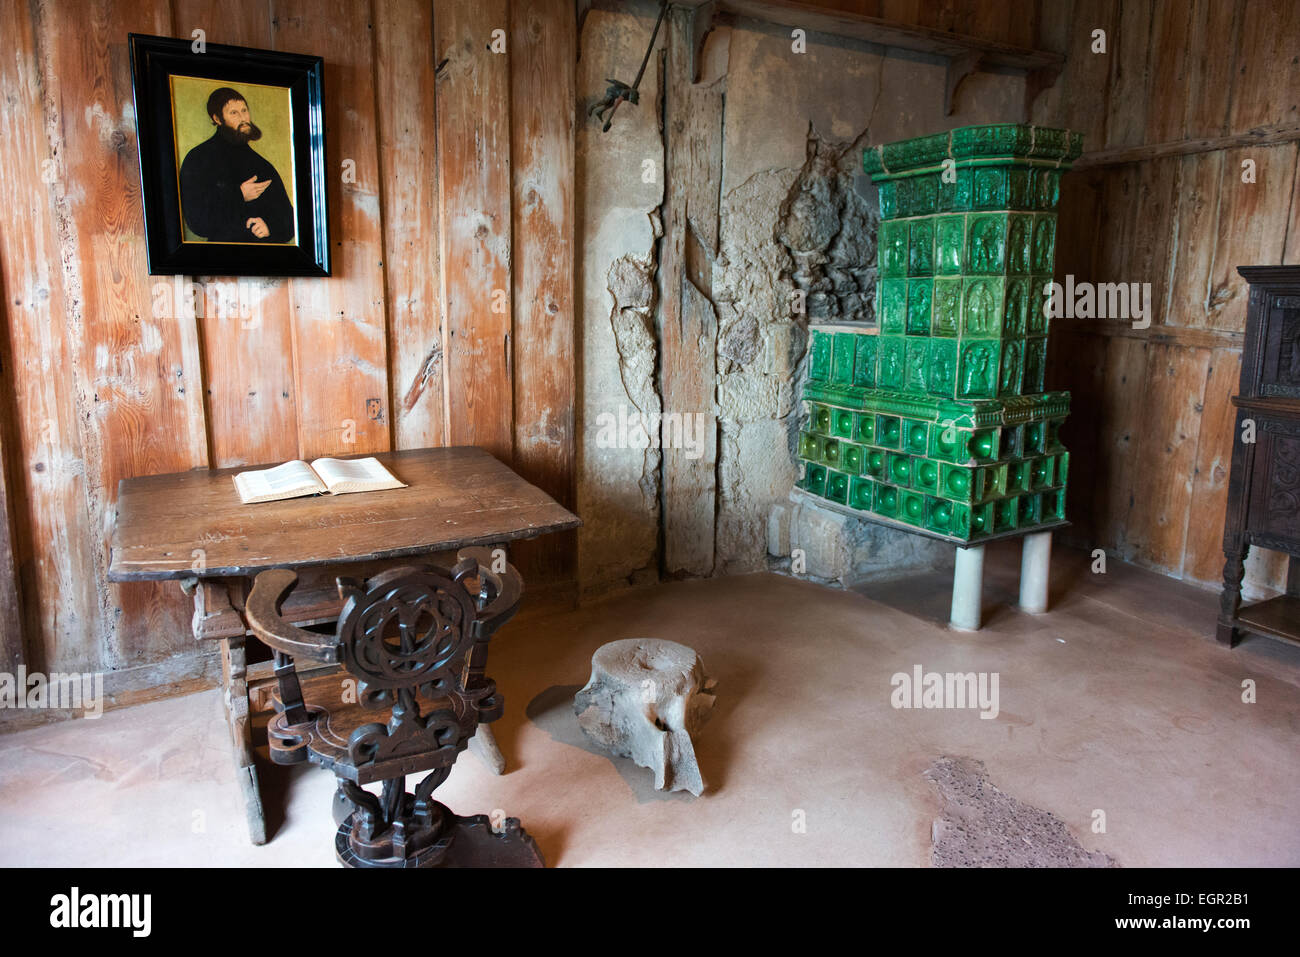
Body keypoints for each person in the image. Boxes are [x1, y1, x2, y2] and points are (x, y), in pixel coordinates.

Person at [178, 87, 295, 243]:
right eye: (234, 113)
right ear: (218, 119)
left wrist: (270, 227)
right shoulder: (199, 158)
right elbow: (197, 222)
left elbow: (290, 221)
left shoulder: (262, 165)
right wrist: (239, 195)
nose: (243, 118)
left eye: (244, 110)